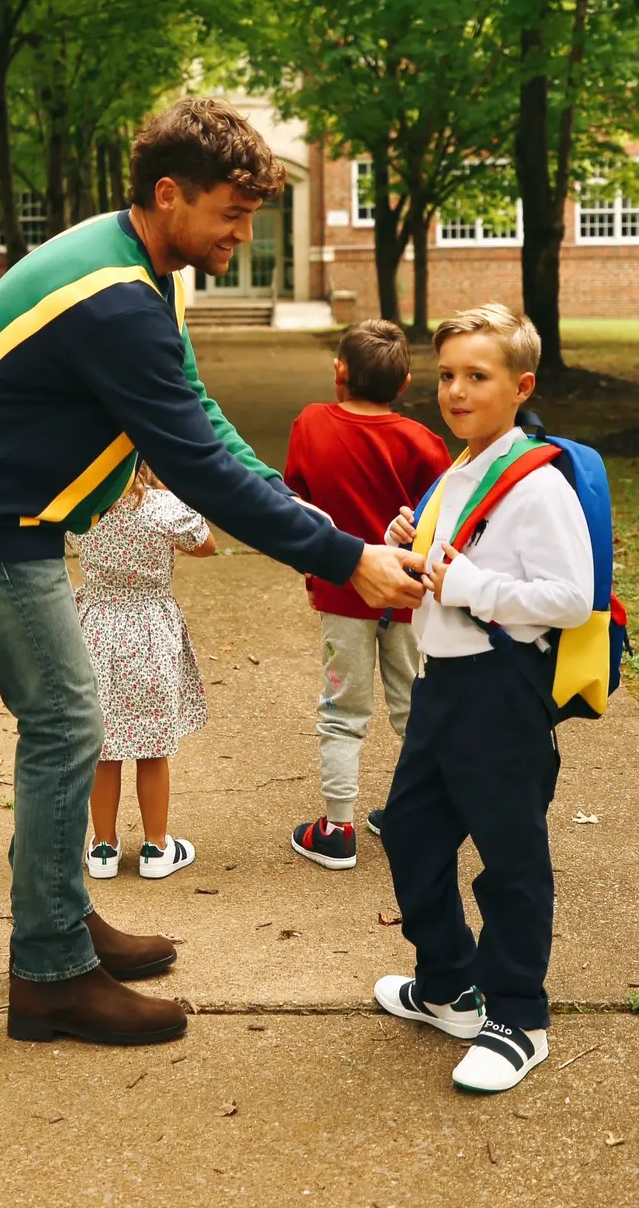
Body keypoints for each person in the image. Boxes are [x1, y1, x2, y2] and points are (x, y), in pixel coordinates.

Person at [0, 97, 426, 1049]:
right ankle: (51, 975)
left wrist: (311, 517)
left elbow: (202, 420)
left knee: (70, 717)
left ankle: (60, 918)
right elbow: (197, 467)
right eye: (231, 212)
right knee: (65, 722)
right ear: (170, 194)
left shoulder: (146, 267)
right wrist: (346, 556)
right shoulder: (114, 301)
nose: (242, 233)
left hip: (12, 511)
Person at [373, 304, 593, 1094]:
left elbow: (570, 595)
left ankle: (518, 1016)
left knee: (511, 860)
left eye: (477, 376)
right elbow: (453, 554)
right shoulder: (460, 467)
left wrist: (467, 582)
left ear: (520, 384)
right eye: (446, 376)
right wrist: (417, 539)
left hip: (500, 694)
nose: (456, 391)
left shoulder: (537, 481)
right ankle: (447, 986)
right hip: (442, 685)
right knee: (410, 833)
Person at [283, 320, 450, 870]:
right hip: (407, 597)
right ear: (404, 383)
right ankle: (419, 815)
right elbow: (444, 522)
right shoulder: (424, 443)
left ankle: (336, 829)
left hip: (342, 596)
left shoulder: (310, 424)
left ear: (340, 372)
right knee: (414, 710)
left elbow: (296, 507)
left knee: (341, 711)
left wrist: (316, 573)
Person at [75, 464, 214, 882]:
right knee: (152, 747)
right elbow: (207, 545)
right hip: (151, 630)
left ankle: (102, 848)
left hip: (95, 626)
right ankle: (156, 847)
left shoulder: (83, 506)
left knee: (104, 746)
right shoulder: (164, 508)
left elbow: (61, 535)